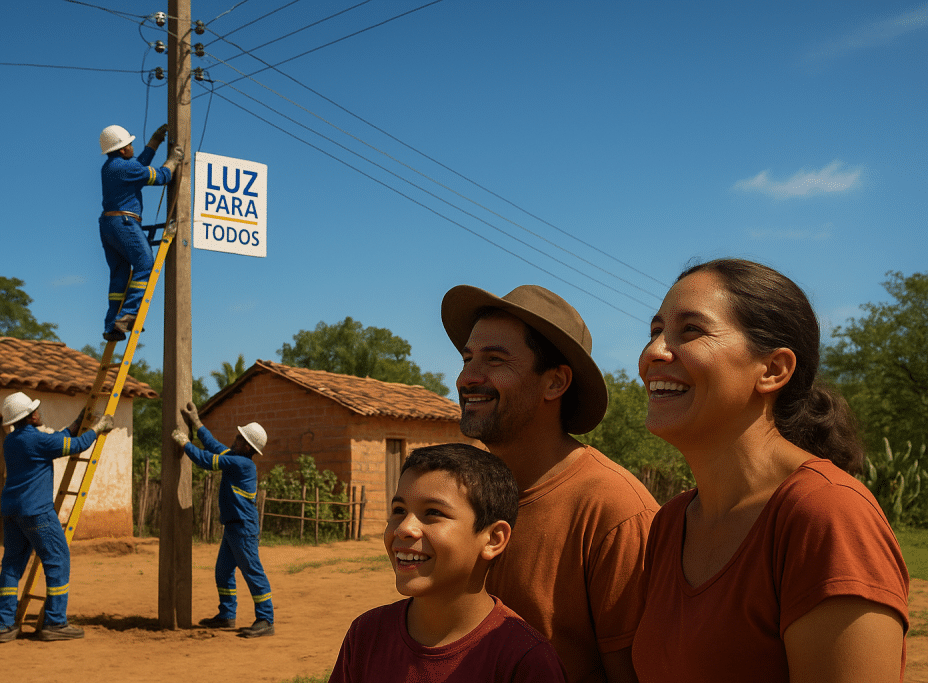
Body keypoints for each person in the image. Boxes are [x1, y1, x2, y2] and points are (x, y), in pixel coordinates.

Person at [632, 258, 909, 682]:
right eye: (655, 332)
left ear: (773, 369)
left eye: (691, 330)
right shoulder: (670, 524)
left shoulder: (827, 515)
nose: (653, 353)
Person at [440, 284, 658, 683]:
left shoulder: (613, 510)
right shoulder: (462, 495)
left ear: (555, 383)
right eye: (467, 358)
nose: (467, 377)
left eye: (495, 360)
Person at [329, 443, 567, 683]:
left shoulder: (523, 660)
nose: (403, 528)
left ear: (493, 539)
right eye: (399, 510)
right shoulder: (366, 636)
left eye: (433, 512)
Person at [0, 391, 114, 643]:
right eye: (33, 411)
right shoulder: (35, 441)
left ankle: (5, 626)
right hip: (36, 512)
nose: (38, 412)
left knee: (12, 567)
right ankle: (55, 622)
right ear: (27, 417)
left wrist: (75, 424)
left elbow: (55, 439)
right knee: (58, 559)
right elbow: (76, 446)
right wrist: (98, 428)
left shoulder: (12, 440)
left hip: (11, 511)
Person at [171, 402, 275, 638]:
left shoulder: (242, 464)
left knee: (253, 572)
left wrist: (185, 443)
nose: (234, 439)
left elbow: (206, 459)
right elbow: (213, 445)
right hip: (233, 527)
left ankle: (266, 620)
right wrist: (196, 422)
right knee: (223, 571)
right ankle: (227, 616)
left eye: (239, 437)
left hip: (243, 529)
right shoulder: (236, 458)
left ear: (247, 446)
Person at [98, 123, 184, 341]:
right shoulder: (126, 169)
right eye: (129, 144)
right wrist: (173, 161)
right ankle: (128, 314)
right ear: (122, 149)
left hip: (108, 225)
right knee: (145, 264)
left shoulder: (112, 167)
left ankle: (112, 325)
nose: (132, 146)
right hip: (125, 222)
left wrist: (154, 142)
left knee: (119, 275)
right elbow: (163, 176)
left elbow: (139, 166)